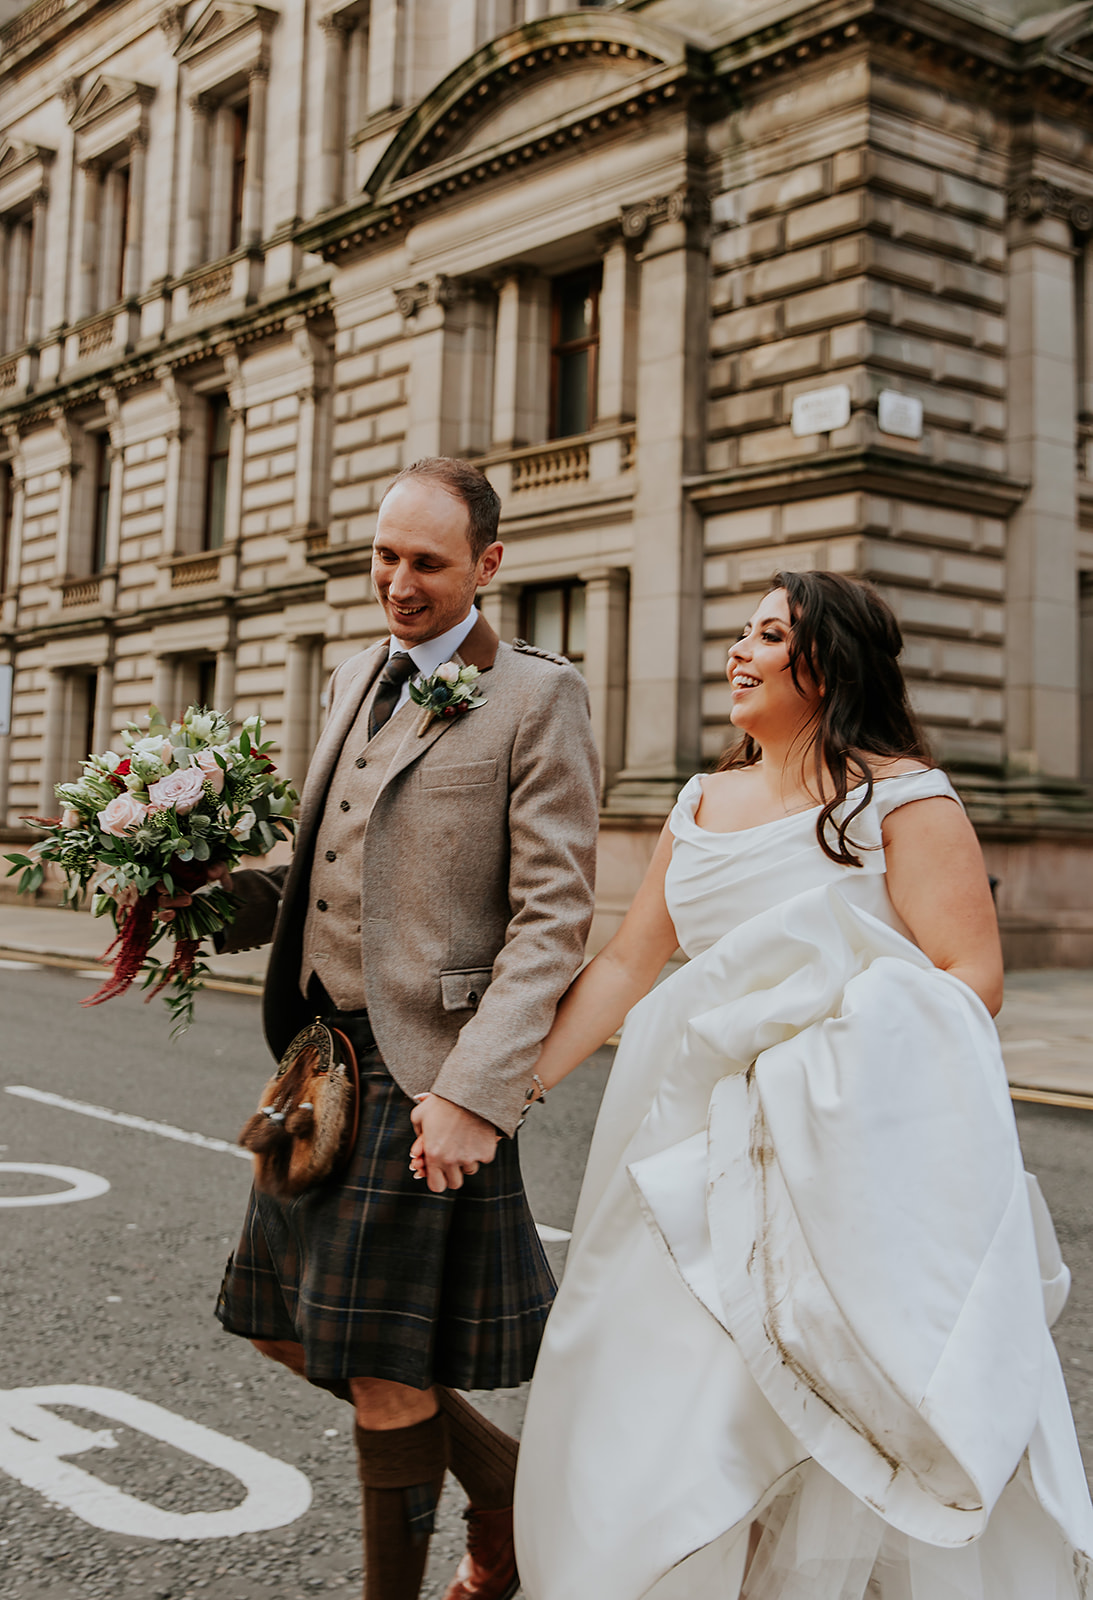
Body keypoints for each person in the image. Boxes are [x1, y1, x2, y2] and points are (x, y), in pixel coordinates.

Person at [507, 571, 1093, 1600]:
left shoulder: (906, 799)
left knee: (817, 1407)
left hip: (836, 1152)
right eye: (741, 632)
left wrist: (812, 1048)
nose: (738, 651)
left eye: (767, 635)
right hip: (677, 1142)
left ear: (825, 662)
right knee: (657, 1395)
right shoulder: (695, 803)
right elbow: (623, 967)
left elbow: (970, 982)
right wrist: (505, 1090)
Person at [189, 458, 599, 1600]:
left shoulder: (534, 693)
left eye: (426, 562)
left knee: (379, 1370)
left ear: (487, 564)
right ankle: (507, 1485)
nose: (399, 582)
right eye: (386, 556)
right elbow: (310, 858)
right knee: (278, 1324)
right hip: (317, 1062)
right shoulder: (351, 674)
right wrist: (190, 899)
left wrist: (477, 1088)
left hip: (425, 1071)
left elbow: (555, 917)